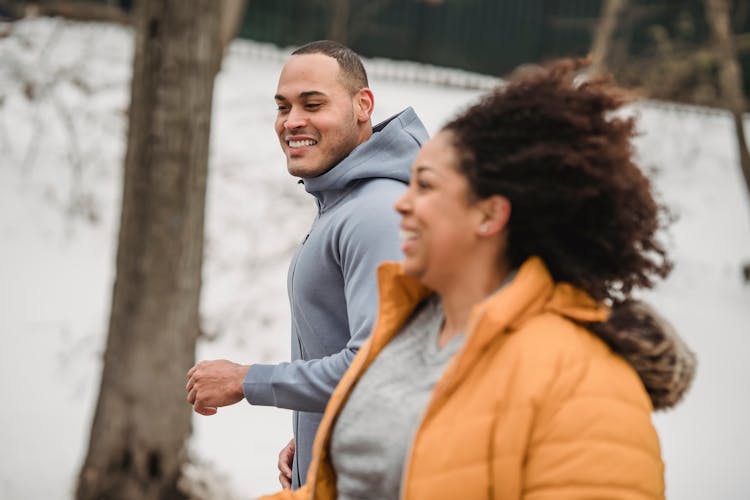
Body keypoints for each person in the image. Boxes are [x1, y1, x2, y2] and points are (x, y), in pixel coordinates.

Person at [258, 58, 696, 500]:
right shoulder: (418, 341)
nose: (401, 204)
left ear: (489, 214)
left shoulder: (582, 380)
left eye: (424, 186)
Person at [185, 40, 429, 488]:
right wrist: (315, 431)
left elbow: (377, 368)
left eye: (312, 104)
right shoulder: (347, 203)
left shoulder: (377, 212)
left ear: (363, 105)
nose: (291, 121)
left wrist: (247, 380)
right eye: (283, 107)